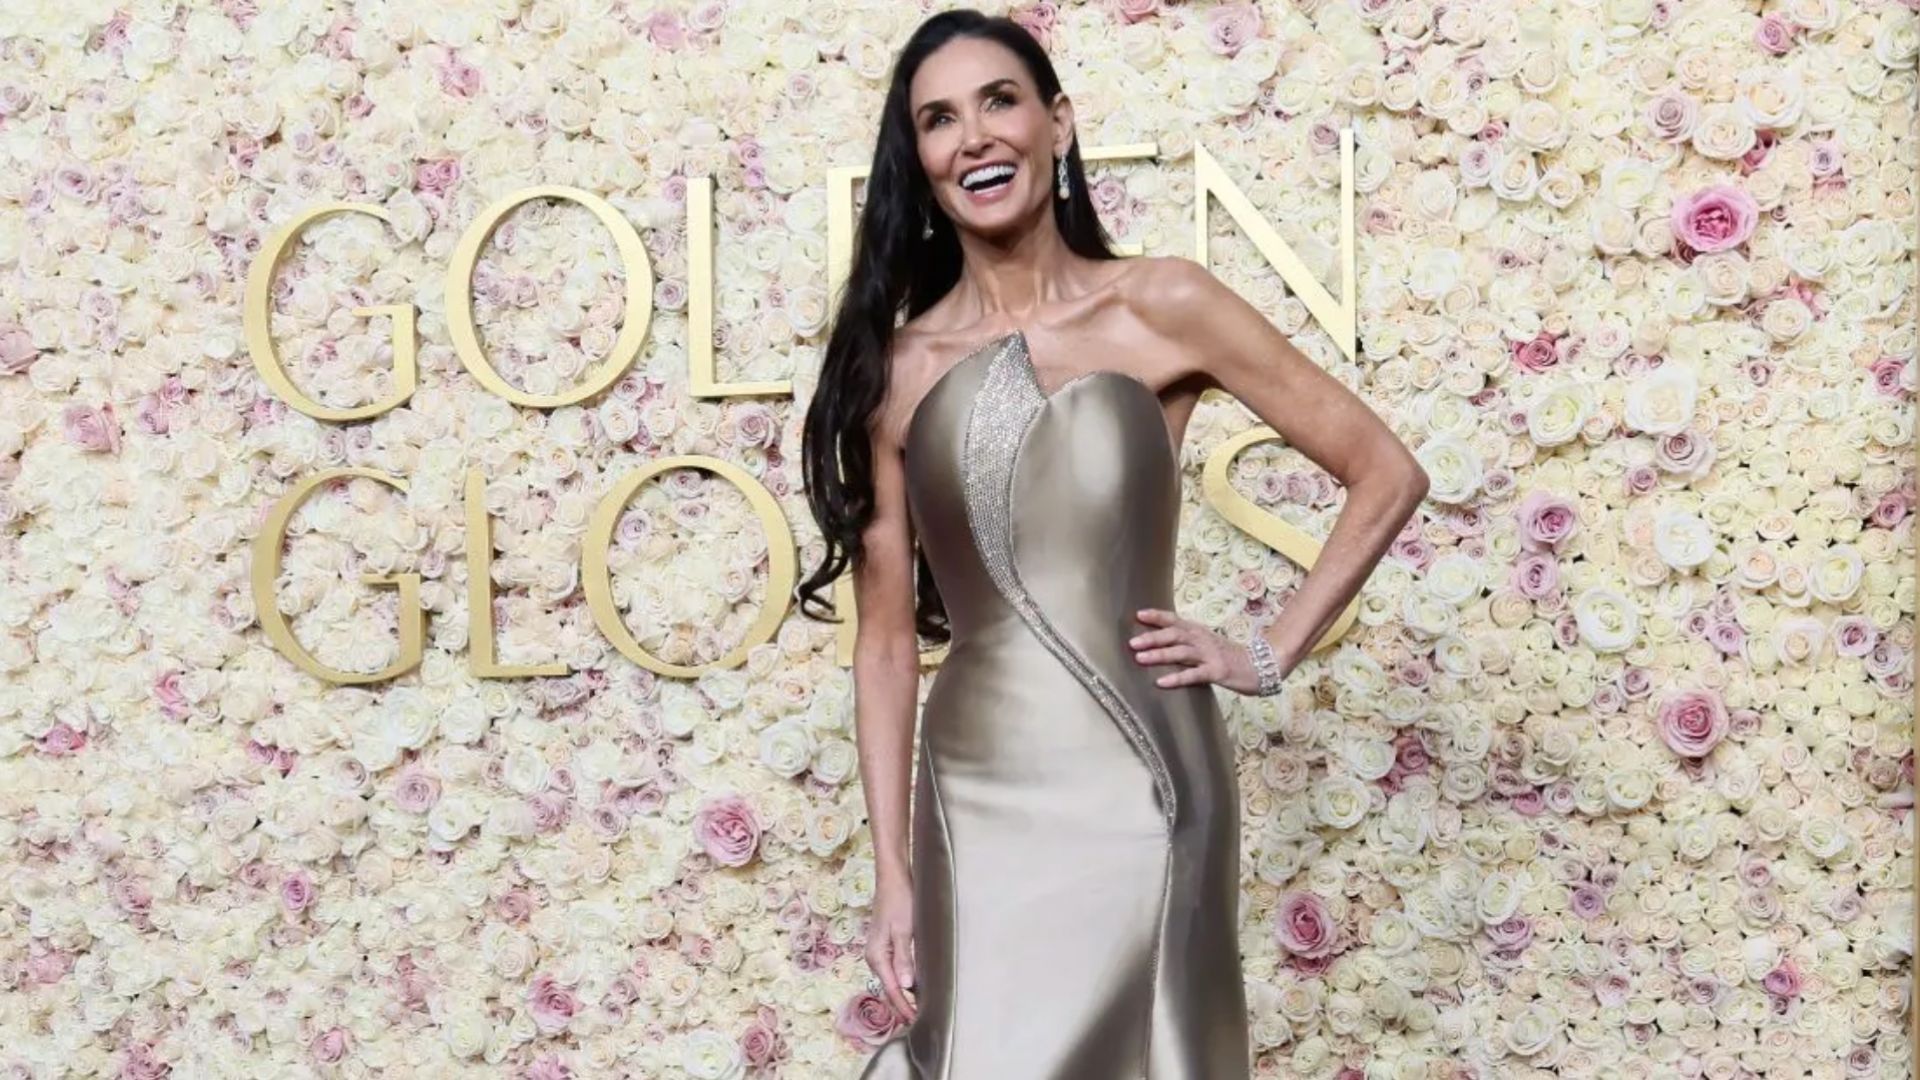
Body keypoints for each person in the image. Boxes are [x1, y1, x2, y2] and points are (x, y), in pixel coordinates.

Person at [795, 9, 1429, 1078]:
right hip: (976, 788)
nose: (975, 138)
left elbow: (1386, 470)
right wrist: (893, 872)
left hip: (1143, 774)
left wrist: (1262, 653)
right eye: (939, 121)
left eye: (1000, 101)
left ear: (1059, 123)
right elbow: (887, 644)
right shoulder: (897, 369)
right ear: (922, 162)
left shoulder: (1164, 302)